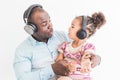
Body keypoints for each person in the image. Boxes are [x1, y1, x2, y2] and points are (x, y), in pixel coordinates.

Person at [13, 4, 101, 80]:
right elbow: (22, 78)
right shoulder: (22, 50)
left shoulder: (63, 36)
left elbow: (83, 46)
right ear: (32, 29)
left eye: (50, 21)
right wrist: (52, 69)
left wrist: (96, 58)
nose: (50, 25)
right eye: (44, 24)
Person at [56, 12, 106, 80]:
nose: (69, 28)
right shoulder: (64, 46)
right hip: (67, 77)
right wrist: (67, 66)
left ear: (82, 32)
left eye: (72, 26)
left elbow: (87, 55)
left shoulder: (88, 47)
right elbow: (58, 62)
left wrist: (86, 62)